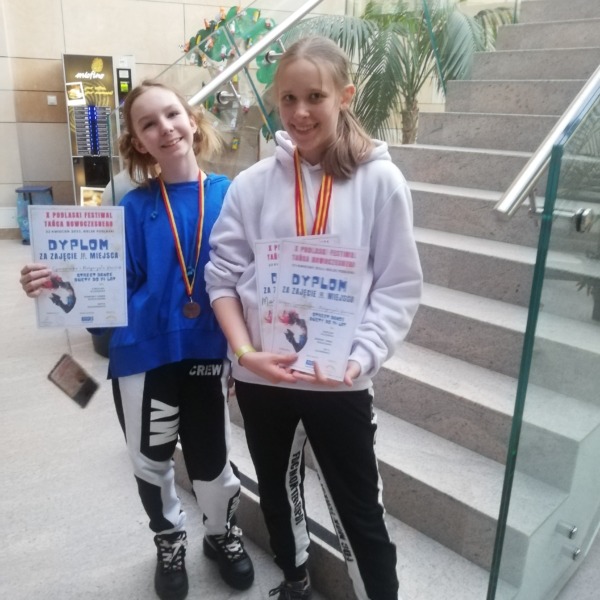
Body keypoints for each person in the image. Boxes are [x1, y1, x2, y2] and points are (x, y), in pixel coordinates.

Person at [205, 36, 423, 600]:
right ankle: (295, 577)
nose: (300, 112)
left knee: (358, 510)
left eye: (315, 97)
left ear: (345, 96)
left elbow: (398, 285)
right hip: (263, 377)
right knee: (277, 491)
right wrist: (246, 354)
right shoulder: (253, 184)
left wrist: (360, 358)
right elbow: (221, 279)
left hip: (338, 379)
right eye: (288, 99)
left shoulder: (380, 182)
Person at [18, 80, 254, 600]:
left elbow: (252, 280)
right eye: (148, 124)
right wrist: (52, 282)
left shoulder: (234, 197)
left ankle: (221, 533)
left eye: (171, 114)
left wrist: (247, 354)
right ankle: (169, 540)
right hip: (144, 354)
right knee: (150, 459)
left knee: (213, 464)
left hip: (208, 350)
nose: (164, 128)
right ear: (137, 142)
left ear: (192, 120)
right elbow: (100, 288)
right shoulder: (127, 208)